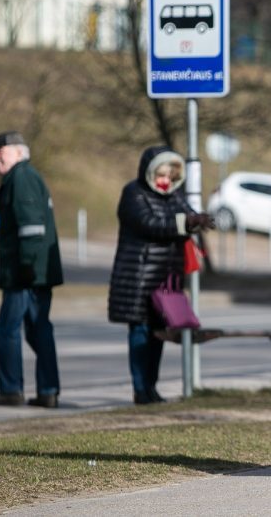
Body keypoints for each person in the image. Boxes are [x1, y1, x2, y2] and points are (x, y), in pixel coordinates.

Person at [107, 146, 213, 404]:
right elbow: (148, 224)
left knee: (158, 335)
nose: (165, 181)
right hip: (139, 279)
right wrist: (183, 224)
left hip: (165, 280)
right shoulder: (134, 193)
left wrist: (197, 220)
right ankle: (141, 389)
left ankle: (151, 387)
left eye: (170, 176)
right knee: (141, 332)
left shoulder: (174, 196)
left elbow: (185, 215)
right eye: (161, 174)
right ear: (149, 172)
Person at [0, 131, 63, 408]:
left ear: (17, 151)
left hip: (24, 273)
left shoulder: (21, 177)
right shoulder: (28, 176)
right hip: (35, 271)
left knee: (7, 328)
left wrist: (27, 266)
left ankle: (11, 390)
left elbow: (31, 226)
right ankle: (48, 391)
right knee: (38, 329)